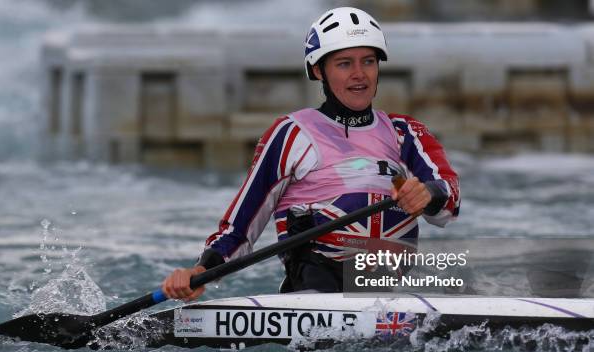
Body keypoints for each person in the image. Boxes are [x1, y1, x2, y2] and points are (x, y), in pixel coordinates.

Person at [162, 7, 460, 301]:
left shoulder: (405, 132)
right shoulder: (291, 133)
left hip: (388, 297)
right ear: (319, 71)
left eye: (368, 61)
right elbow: (239, 228)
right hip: (312, 298)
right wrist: (201, 270)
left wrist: (428, 194)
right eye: (344, 64)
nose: (359, 75)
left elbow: (449, 203)